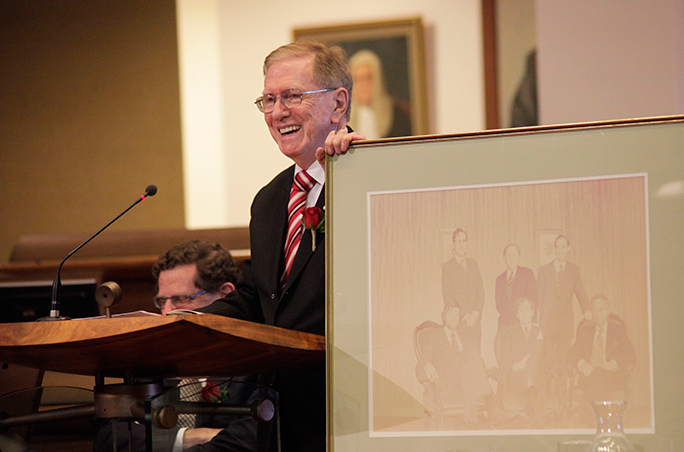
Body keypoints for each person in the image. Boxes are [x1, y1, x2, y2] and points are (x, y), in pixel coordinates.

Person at [198, 41, 365, 452]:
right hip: (280, 419)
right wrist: (188, 324)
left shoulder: (372, 179)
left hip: (355, 414)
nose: (277, 112)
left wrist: (365, 165)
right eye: (269, 100)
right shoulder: (269, 201)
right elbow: (259, 297)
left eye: (292, 96)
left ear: (338, 104)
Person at [95, 240, 260, 452]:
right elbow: (111, 437)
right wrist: (186, 437)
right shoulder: (150, 359)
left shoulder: (252, 364)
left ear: (225, 294)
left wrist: (158, 441)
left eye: (180, 299)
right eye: (162, 301)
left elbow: (248, 441)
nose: (167, 312)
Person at [415, 304, 495, 428]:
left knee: (472, 355)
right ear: (444, 317)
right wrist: (427, 365)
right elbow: (420, 364)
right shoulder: (435, 337)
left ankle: (471, 419)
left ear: (460, 318)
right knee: (467, 356)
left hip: (466, 380)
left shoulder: (464, 337)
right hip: (447, 381)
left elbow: (478, 362)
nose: (453, 317)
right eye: (450, 314)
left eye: (456, 314)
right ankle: (489, 400)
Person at [567, 294, 635, 424]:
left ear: (608, 311)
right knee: (596, 373)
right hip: (588, 377)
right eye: (594, 310)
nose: (597, 314)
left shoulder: (617, 330)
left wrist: (614, 363)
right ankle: (601, 420)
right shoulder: (586, 331)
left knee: (598, 372)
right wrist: (582, 364)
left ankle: (582, 412)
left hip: (612, 378)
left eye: (601, 309)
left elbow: (631, 355)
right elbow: (571, 354)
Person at [347, 49, 412, 139]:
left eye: (368, 78)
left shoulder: (397, 114)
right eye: (358, 79)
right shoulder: (342, 119)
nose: (363, 85)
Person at [497, 297, 544, 419]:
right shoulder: (510, 334)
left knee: (536, 358)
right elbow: (504, 362)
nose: (524, 313)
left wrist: (525, 362)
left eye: (527, 309)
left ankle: (526, 413)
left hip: (537, 376)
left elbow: (544, 357)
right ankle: (530, 407)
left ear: (532, 312)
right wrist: (515, 365)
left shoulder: (540, 332)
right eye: (520, 310)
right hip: (518, 377)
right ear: (517, 315)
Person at [441, 228, 485, 351]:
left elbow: (481, 292)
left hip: (475, 325)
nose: (461, 244)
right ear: (453, 244)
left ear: (467, 244)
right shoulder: (447, 267)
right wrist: (466, 316)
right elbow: (448, 297)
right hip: (458, 324)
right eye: (458, 241)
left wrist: (475, 314)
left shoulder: (473, 264)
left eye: (464, 241)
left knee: (475, 360)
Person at [495, 244, 538, 332]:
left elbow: (533, 301)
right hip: (505, 326)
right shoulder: (499, 280)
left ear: (519, 257)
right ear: (504, 258)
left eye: (514, 256)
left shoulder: (527, 274)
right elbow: (499, 305)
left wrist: (532, 325)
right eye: (509, 256)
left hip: (523, 325)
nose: (511, 259)